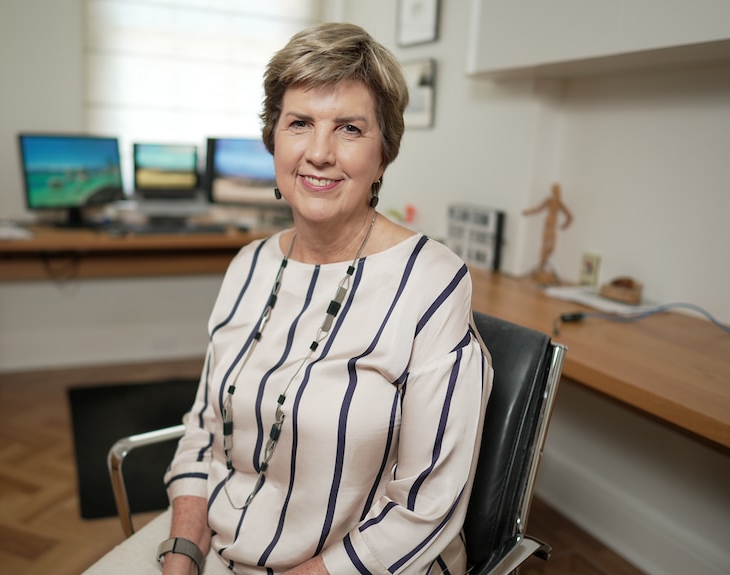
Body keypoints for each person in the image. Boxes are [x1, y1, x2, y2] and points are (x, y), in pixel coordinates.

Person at [85, 22, 492, 575]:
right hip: (219, 545)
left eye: (349, 128)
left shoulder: (431, 282)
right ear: (273, 138)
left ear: (384, 151)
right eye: (300, 123)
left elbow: (427, 507)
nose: (319, 153)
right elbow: (205, 426)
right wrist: (181, 552)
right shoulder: (247, 265)